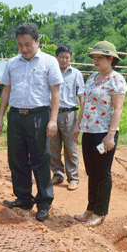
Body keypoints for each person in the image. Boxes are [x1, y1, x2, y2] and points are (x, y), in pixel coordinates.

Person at [0, 22, 64, 222]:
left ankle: (43, 203)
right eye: (20, 45)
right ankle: (24, 198)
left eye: (28, 44)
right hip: (16, 116)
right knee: (16, 158)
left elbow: (55, 92)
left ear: (37, 41)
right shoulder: (12, 63)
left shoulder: (49, 62)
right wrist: (0, 117)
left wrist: (52, 120)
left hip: (38, 116)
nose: (24, 49)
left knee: (40, 160)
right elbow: (6, 91)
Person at [73, 41, 127, 227]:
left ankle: (100, 212)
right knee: (91, 172)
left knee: (102, 173)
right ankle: (90, 208)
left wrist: (111, 135)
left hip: (104, 133)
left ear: (110, 59)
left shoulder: (117, 79)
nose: (95, 61)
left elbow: (118, 109)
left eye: (99, 58)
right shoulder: (92, 78)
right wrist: (78, 126)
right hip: (89, 131)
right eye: (94, 58)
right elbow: (85, 104)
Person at [50, 45, 85, 191]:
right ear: (56, 57)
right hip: (52, 113)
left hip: (69, 113)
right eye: (61, 56)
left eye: (67, 57)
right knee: (53, 146)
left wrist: (80, 119)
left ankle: (73, 178)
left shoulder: (76, 73)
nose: (64, 59)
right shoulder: (51, 72)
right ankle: (58, 174)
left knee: (70, 147)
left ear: (70, 58)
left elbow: (82, 96)